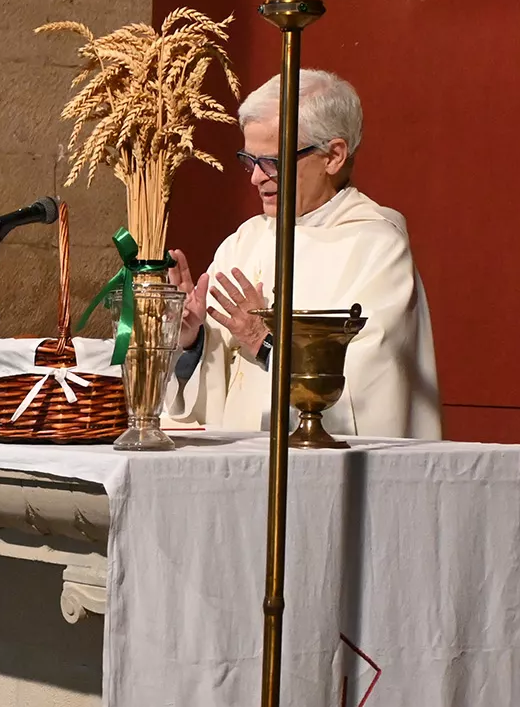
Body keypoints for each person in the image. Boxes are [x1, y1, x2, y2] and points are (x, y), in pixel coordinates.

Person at [166, 70, 442, 439]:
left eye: (273, 163)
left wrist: (264, 343)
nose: (255, 178)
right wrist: (192, 339)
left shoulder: (376, 248)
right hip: (240, 464)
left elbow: (367, 387)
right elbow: (214, 387)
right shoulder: (244, 241)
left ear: (334, 156)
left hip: (323, 471)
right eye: (249, 161)